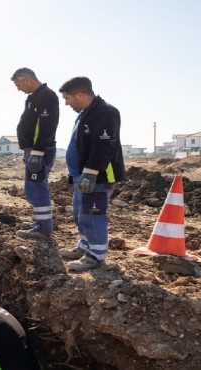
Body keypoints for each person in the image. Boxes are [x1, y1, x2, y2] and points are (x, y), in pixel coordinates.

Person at [57, 77, 126, 271]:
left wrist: (91, 171)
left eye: (67, 98)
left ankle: (95, 256)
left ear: (80, 95)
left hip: (97, 176)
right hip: (83, 174)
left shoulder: (105, 112)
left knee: (93, 215)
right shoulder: (86, 113)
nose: (66, 103)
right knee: (81, 214)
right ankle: (85, 247)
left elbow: (105, 144)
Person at [10, 68, 60, 241]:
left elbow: (47, 126)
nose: (18, 88)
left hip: (40, 150)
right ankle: (39, 222)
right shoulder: (33, 98)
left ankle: (43, 228)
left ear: (27, 80)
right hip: (33, 149)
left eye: (18, 84)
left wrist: (37, 153)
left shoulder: (46, 96)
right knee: (33, 187)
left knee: (37, 187)